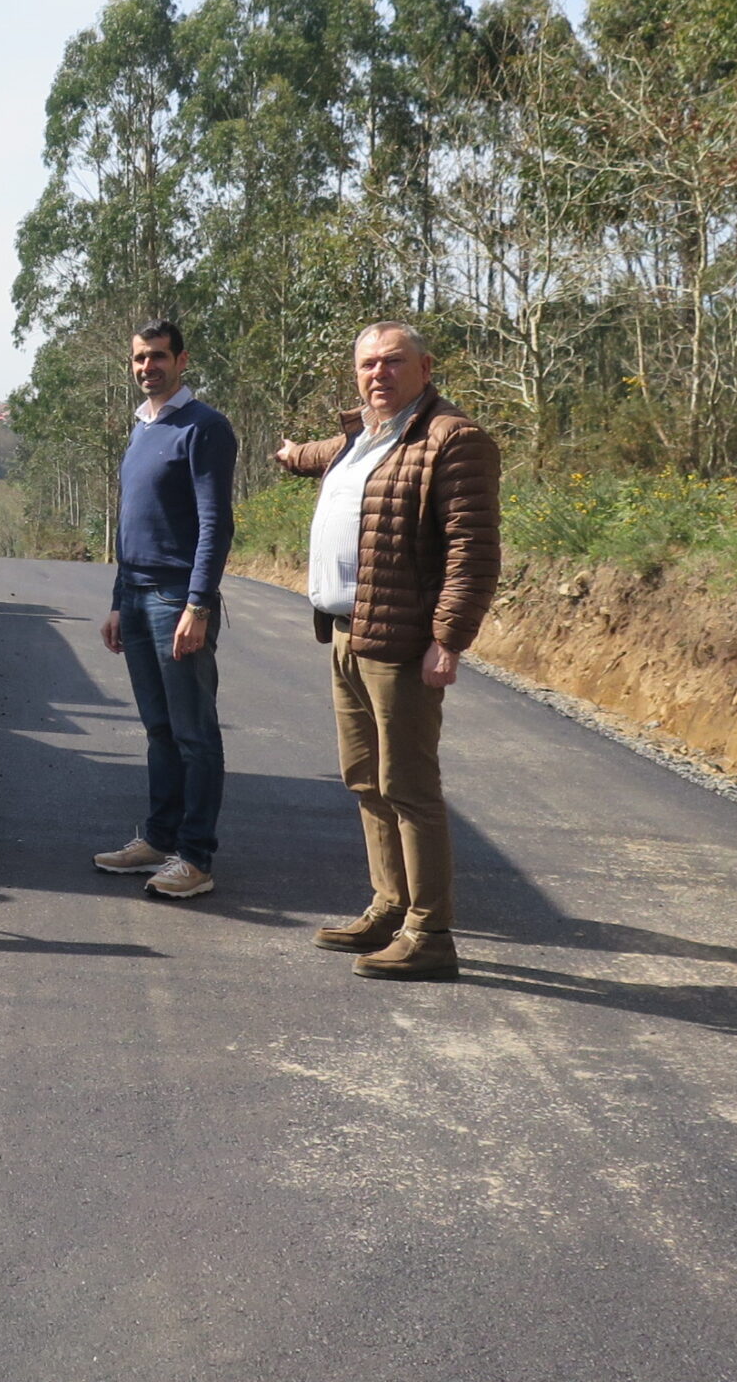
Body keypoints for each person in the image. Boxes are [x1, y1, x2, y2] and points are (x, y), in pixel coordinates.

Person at [273, 321, 501, 981]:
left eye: (393, 362)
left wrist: (448, 640)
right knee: (365, 781)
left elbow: (473, 552)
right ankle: (389, 905)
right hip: (345, 630)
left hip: (402, 642)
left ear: (425, 367)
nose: (379, 373)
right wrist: (293, 455)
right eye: (368, 364)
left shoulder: (451, 439)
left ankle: (430, 933)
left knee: (409, 786)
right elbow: (324, 455)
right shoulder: (360, 436)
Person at [92, 320, 237, 899]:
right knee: (158, 730)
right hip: (136, 595)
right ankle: (158, 838)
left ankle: (196, 858)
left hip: (177, 599)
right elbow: (135, 525)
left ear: (181, 361)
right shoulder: (142, 428)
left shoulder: (204, 428)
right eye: (138, 359)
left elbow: (214, 524)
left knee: (194, 733)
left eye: (157, 357)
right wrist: (116, 600)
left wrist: (198, 605)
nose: (146, 367)